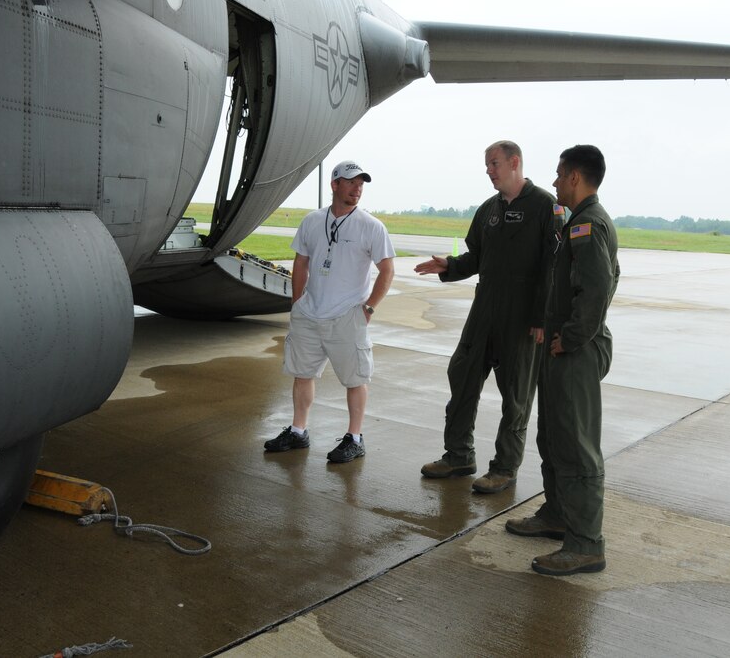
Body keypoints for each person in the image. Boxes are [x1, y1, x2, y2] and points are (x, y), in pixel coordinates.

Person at [416, 140, 559, 493]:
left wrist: (542, 318)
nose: (489, 171)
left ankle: (505, 467)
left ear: (515, 163)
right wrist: (450, 266)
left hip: (523, 315)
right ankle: (459, 455)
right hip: (485, 309)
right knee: (462, 372)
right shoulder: (488, 210)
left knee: (516, 393)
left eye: (494, 164)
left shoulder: (545, 207)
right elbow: (476, 258)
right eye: (487, 165)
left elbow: (552, 267)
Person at [505, 144, 619, 576]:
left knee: (577, 447)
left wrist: (569, 337)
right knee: (552, 437)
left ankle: (587, 543)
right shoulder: (580, 224)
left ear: (574, 177)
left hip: (575, 350)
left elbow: (597, 291)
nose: (553, 183)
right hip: (563, 347)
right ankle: (557, 515)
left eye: (558, 175)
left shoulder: (589, 225)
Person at [264, 160, 395, 463]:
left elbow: (387, 270)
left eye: (361, 183)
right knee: (302, 373)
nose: (357, 188)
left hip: (347, 314)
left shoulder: (371, 227)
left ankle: (355, 437)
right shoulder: (312, 221)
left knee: (355, 378)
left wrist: (369, 308)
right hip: (309, 313)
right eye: (351, 182)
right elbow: (301, 261)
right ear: (335, 184)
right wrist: (297, 303)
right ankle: (298, 431)